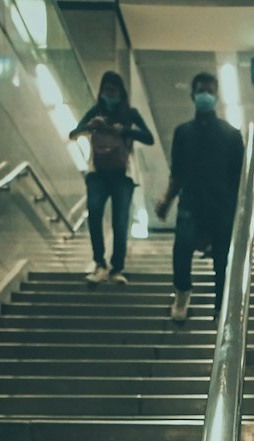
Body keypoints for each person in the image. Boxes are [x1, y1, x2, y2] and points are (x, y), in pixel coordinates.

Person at [155, 71, 244, 323]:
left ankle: (221, 305)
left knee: (223, 258)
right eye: (201, 90)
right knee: (181, 249)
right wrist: (166, 200)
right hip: (191, 202)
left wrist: (242, 212)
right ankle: (182, 293)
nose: (205, 95)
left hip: (222, 205)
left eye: (210, 90)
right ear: (192, 95)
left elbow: (238, 179)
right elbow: (178, 173)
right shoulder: (182, 133)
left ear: (216, 96)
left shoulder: (232, 135)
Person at [70, 72, 154, 285]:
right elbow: (73, 133)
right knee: (95, 213)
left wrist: (125, 131)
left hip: (122, 175)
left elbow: (149, 138)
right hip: (97, 174)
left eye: (114, 91)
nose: (110, 95)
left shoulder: (130, 113)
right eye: (106, 91)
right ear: (101, 92)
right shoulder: (95, 111)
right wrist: (91, 126)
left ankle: (117, 267)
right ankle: (100, 263)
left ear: (121, 93)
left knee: (120, 220)